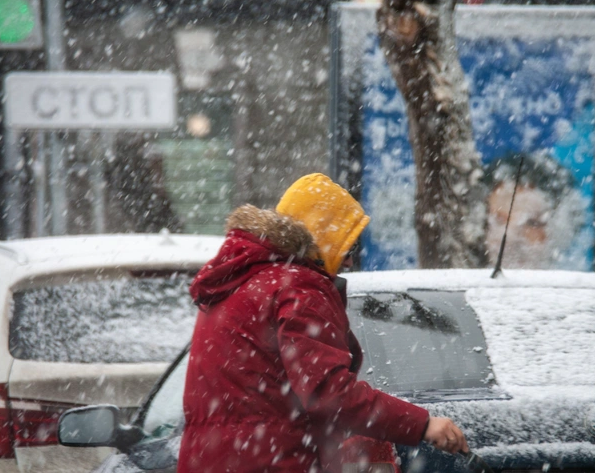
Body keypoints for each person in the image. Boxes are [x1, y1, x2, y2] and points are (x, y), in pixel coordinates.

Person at [178, 173, 468, 473]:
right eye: (348, 246)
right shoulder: (297, 286)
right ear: (323, 237)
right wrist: (422, 425)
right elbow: (329, 394)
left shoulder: (239, 281)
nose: (349, 262)